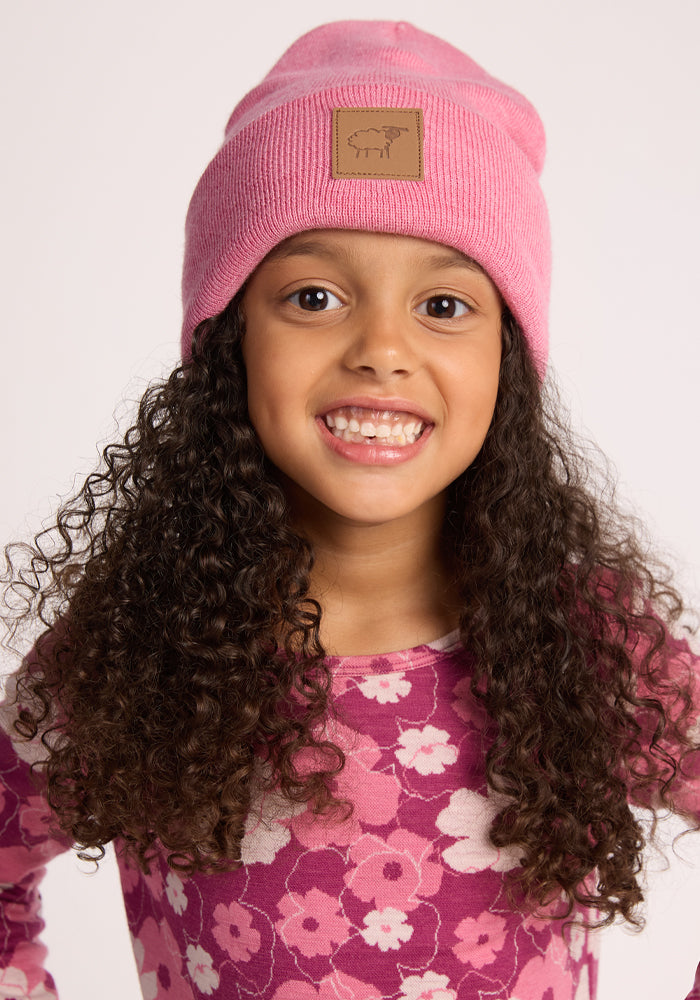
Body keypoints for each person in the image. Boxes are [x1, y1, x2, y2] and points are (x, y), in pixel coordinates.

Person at [0, 20, 698, 1000]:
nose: (380, 346)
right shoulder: (139, 645)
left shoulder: (585, 638)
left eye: (444, 306)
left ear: (509, 359)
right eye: (316, 296)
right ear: (230, 337)